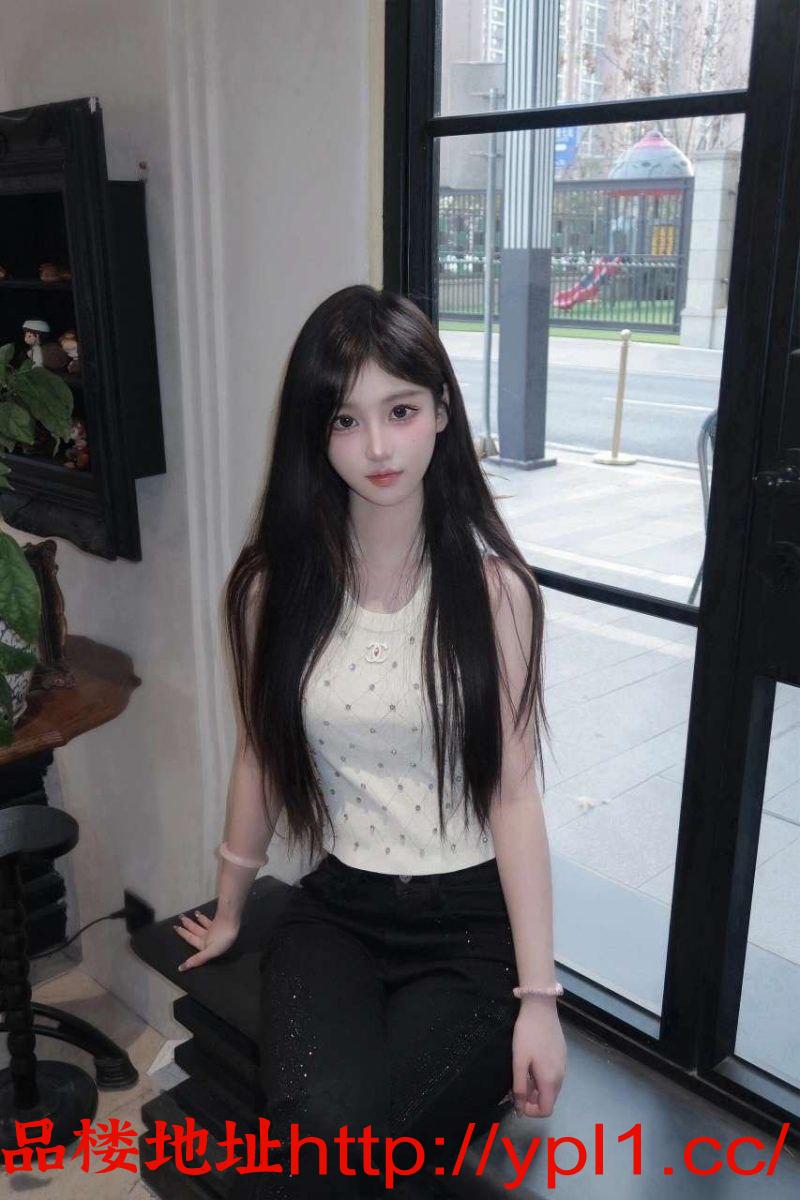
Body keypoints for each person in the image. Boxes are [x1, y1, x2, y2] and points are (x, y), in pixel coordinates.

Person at [173, 285, 567, 1197]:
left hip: (470, 930)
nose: (379, 448)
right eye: (347, 421)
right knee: (319, 1137)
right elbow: (260, 753)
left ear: (442, 412)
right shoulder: (274, 588)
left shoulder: (496, 593)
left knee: (346, 1163)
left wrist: (541, 1003)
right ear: (315, 435)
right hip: (340, 912)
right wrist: (231, 905)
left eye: (401, 410)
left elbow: (513, 795)